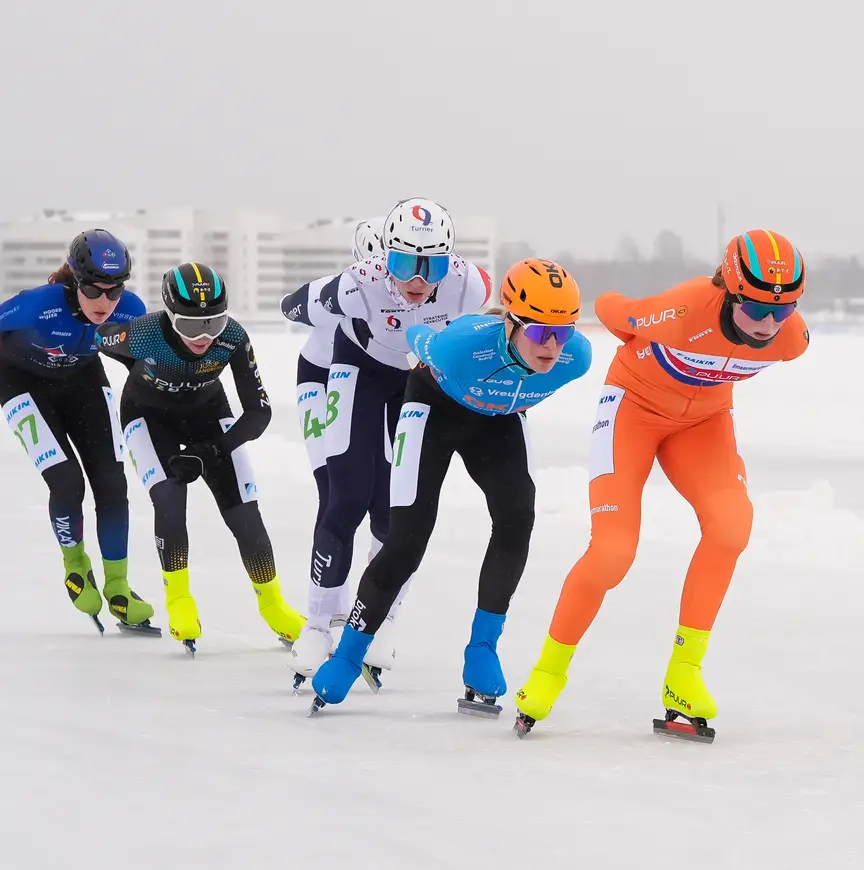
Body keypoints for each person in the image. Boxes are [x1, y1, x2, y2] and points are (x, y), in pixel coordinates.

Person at [514, 229, 810, 741]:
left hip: (704, 422)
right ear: (728, 291)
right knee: (612, 553)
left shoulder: (792, 340)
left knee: (732, 527)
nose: (767, 325)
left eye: (780, 312)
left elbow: (768, 335)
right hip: (633, 409)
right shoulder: (682, 309)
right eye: (755, 309)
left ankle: (684, 676)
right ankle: (546, 674)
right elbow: (611, 308)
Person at [307, 258, 593, 716]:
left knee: (518, 517)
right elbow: (416, 338)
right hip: (433, 409)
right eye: (541, 333)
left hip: (497, 423)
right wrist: (423, 344)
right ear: (510, 322)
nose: (554, 347)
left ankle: (482, 648)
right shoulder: (462, 345)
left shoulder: (577, 359)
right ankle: (347, 654)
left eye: (565, 332)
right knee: (406, 540)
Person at [280, 198, 492, 688]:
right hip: (361, 370)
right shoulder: (360, 282)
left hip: (418, 380)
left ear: (450, 262)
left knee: (398, 510)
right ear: (385, 257)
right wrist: (329, 299)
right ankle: (316, 626)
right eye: (403, 263)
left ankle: (385, 620)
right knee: (346, 495)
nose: (417, 280)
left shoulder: (471, 284)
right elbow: (289, 306)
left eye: (431, 266)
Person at [94, 262, 305, 653]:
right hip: (147, 417)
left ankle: (274, 605)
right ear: (170, 316)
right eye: (191, 326)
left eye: (214, 323)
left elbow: (259, 412)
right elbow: (89, 340)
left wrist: (211, 452)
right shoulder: (139, 335)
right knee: (170, 499)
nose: (204, 336)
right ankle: (179, 600)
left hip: (208, 420)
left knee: (245, 511)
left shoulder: (234, 338)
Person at [0, 228, 156, 634]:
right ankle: (75, 567)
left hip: (83, 382)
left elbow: (142, 362)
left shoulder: (129, 310)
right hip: (21, 384)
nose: (105, 302)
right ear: (75, 279)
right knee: (67, 482)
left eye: (114, 290)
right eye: (95, 290)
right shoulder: (37, 306)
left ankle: (119, 586)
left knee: (111, 481)